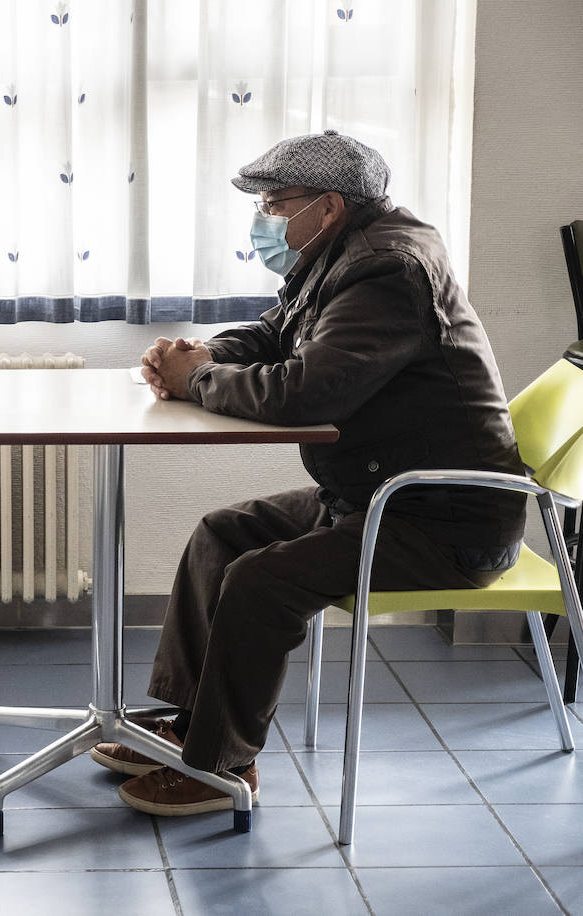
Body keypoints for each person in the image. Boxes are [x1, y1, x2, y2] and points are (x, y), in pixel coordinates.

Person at [92, 130, 526, 816]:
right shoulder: (340, 252)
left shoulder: (389, 269)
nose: (263, 218)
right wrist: (198, 354)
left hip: (443, 520)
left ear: (327, 206)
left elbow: (306, 392)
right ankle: (189, 727)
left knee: (260, 581)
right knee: (222, 534)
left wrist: (198, 379)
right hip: (375, 495)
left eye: (274, 203)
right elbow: (276, 335)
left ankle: (220, 768)